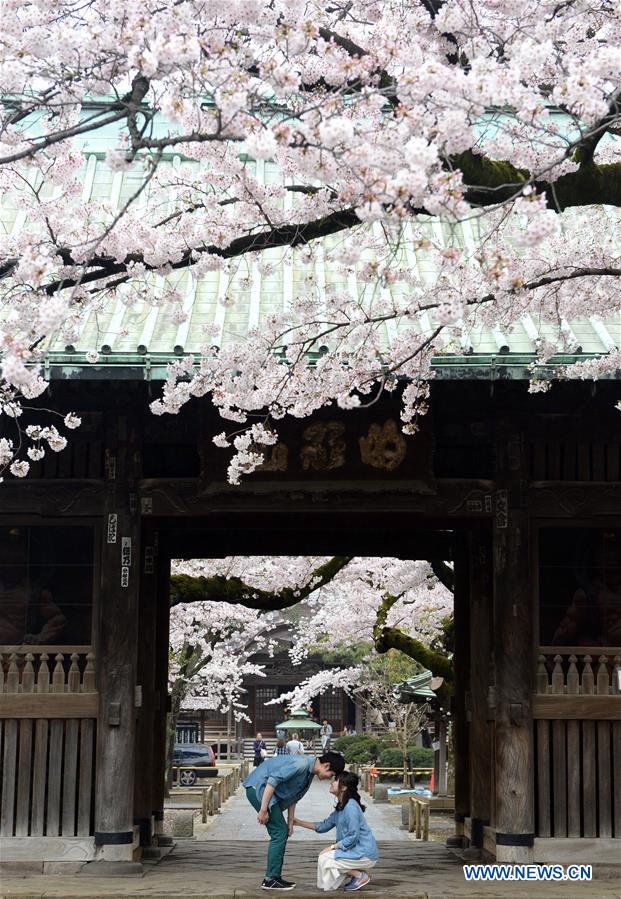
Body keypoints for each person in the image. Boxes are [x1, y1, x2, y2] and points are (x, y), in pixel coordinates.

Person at [243, 750, 345, 892]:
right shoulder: (301, 764)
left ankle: (275, 877)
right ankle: (270, 879)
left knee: (282, 830)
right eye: (332, 775)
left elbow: (294, 796)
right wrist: (263, 809)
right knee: (279, 832)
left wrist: (290, 821)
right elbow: (272, 781)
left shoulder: (309, 772)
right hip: (259, 787)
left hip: (267, 792)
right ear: (326, 765)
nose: (330, 778)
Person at [294, 771, 379, 892]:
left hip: (365, 853)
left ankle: (359, 876)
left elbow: (353, 836)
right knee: (325, 857)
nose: (331, 782)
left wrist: (333, 847)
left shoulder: (350, 807)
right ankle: (355, 875)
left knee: (326, 858)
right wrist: (299, 822)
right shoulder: (342, 806)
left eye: (335, 780)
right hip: (356, 850)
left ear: (343, 787)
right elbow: (323, 826)